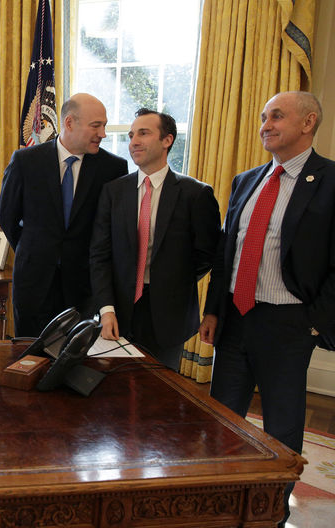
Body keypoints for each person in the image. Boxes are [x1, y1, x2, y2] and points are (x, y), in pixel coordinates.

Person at [199, 91, 335, 526]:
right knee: (223, 417)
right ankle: (218, 503)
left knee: (281, 426)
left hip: (289, 325)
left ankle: (271, 511)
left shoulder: (330, 180)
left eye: (277, 116)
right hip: (236, 320)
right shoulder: (247, 180)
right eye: (263, 117)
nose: (266, 124)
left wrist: (315, 324)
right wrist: (214, 311)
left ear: (308, 122)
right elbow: (227, 253)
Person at [89, 108, 220, 370]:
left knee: (160, 397)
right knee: (113, 394)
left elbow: (207, 255)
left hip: (168, 315)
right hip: (118, 311)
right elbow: (100, 254)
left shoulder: (196, 194)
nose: (134, 141)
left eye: (144, 133)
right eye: (131, 135)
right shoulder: (114, 192)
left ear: (167, 140)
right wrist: (106, 309)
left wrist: (170, 280)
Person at [0, 93, 128, 338]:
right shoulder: (26, 161)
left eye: (104, 125)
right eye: (96, 125)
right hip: (33, 282)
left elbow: (112, 231)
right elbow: (8, 218)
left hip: (83, 287)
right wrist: (36, 250)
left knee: (77, 361)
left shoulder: (113, 169)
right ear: (69, 123)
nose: (103, 133)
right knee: (31, 358)